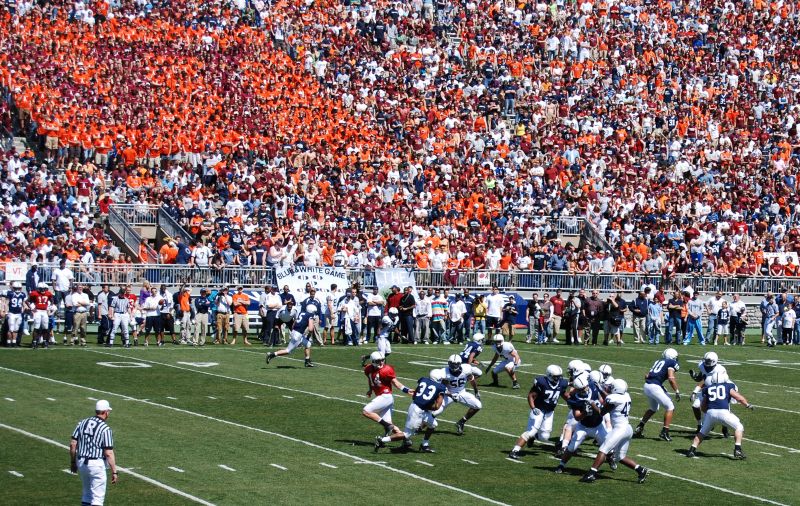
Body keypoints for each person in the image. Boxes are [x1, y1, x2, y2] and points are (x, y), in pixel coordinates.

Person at [580, 379, 650, 484]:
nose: (610, 387)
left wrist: (592, 403)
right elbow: (611, 398)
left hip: (619, 429)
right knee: (620, 457)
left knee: (603, 449)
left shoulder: (613, 398)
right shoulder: (626, 395)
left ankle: (591, 474)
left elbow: (601, 412)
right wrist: (601, 390)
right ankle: (641, 470)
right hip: (627, 429)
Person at [686, 370, 754, 460]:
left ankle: (692, 449)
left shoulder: (708, 388)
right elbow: (738, 397)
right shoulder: (728, 386)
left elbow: (703, 405)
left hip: (710, 413)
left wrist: (707, 414)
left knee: (702, 432)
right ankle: (737, 449)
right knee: (739, 427)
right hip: (723, 412)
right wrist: (747, 405)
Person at [508, 365, 569, 459]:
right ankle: (515, 451)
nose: (558, 378)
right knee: (531, 431)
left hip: (550, 411)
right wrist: (533, 408)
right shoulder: (542, 382)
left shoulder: (562, 383)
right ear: (549, 375)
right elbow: (531, 396)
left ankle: (533, 437)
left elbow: (563, 393)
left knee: (544, 437)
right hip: (539, 409)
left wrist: (571, 402)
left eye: (559, 376)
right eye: (555, 376)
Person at [374, 375, 447, 453]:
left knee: (433, 424)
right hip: (418, 410)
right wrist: (427, 405)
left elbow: (414, 395)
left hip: (417, 407)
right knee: (407, 434)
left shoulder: (424, 380)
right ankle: (381, 440)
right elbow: (437, 407)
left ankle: (424, 445)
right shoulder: (441, 387)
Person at [554, 372, 608, 474]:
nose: (585, 389)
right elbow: (577, 417)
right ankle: (561, 465)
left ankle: (610, 459)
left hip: (598, 425)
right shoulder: (575, 399)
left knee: (608, 447)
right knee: (571, 448)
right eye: (582, 389)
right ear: (577, 389)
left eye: (585, 387)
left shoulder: (592, 385)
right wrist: (585, 413)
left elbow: (605, 397)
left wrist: (603, 393)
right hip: (583, 427)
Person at [70, 400, 118, 506]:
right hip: (96, 464)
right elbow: (108, 452)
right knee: (98, 499)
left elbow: (73, 443)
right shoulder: (105, 428)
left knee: (87, 495)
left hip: (81, 462)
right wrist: (114, 471)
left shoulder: (82, 422)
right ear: (106, 412)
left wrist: (73, 462)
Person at [362, 351, 413, 438]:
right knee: (390, 424)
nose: (381, 362)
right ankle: (406, 440)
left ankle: (387, 426)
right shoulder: (368, 369)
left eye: (382, 360)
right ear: (373, 361)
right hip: (383, 398)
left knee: (366, 411)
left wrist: (406, 390)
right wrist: (370, 390)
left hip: (386, 396)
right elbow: (371, 379)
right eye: (378, 361)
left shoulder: (386, 369)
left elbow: (395, 383)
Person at [634, 348, 681, 441]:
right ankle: (665, 431)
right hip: (655, 386)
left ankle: (640, 427)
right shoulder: (671, 363)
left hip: (647, 385)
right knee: (670, 407)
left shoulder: (658, 361)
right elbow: (671, 378)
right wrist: (677, 391)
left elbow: (647, 375)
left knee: (653, 408)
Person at [430, 354, 483, 435]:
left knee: (478, 405)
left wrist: (476, 391)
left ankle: (461, 422)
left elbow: (472, 379)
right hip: (448, 394)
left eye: (456, 364)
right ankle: (419, 427)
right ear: (448, 363)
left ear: (460, 364)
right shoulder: (443, 372)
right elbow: (441, 387)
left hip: (461, 392)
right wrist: (450, 394)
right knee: (434, 413)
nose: (454, 366)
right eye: (452, 364)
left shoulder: (466, 369)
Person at [265, 301, 316, 367]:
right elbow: (310, 329)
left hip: (296, 332)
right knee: (288, 351)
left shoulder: (302, 313)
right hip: (297, 335)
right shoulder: (310, 315)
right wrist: (311, 327)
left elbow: (295, 322)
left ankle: (307, 361)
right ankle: (271, 354)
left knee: (308, 344)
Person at [27, 282, 54, 349]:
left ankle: (45, 342)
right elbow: (27, 301)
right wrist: (32, 308)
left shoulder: (48, 293)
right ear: (38, 289)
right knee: (36, 327)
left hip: (44, 311)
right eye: (41, 289)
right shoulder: (34, 293)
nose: (43, 290)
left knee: (46, 327)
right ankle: (34, 342)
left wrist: (50, 306)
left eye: (44, 289)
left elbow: (52, 300)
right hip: (38, 311)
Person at [3, 281, 26, 347]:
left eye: (18, 288)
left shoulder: (22, 294)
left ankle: (14, 342)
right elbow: (6, 303)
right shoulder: (10, 294)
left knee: (16, 329)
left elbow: (23, 304)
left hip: (18, 314)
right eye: (16, 288)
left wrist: (23, 310)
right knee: (11, 329)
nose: (17, 289)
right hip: (11, 313)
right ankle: (8, 342)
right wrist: (7, 312)